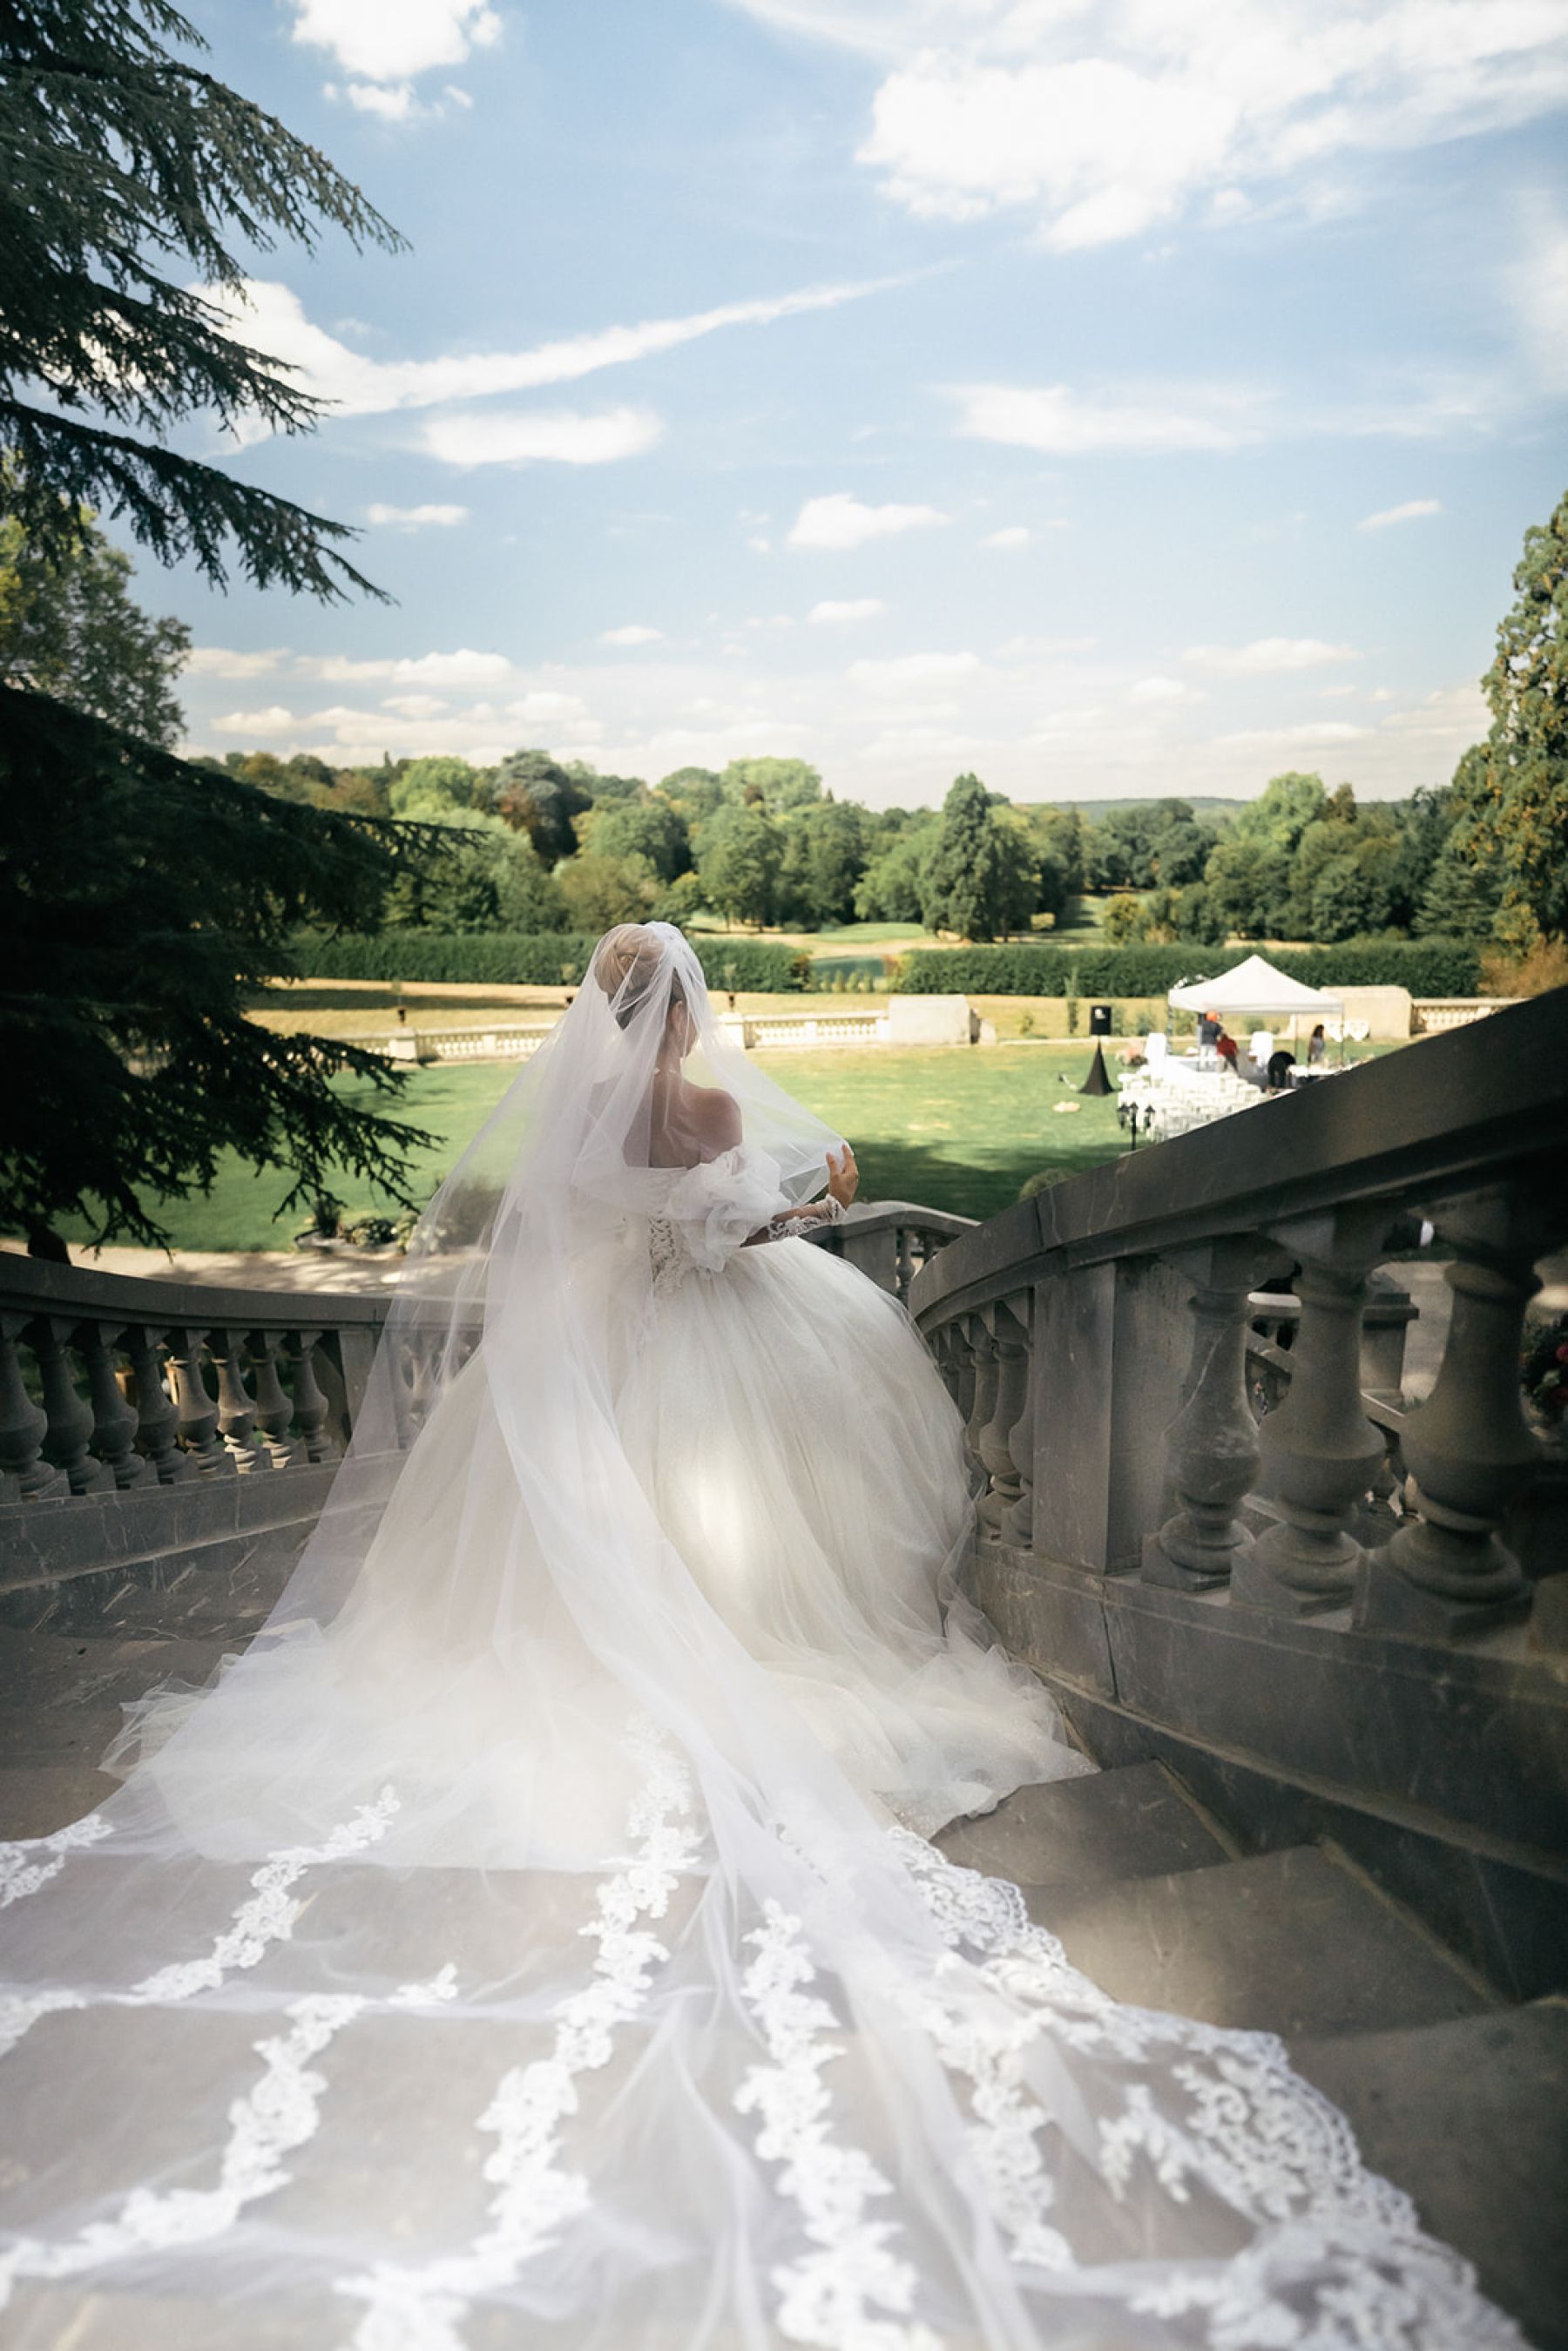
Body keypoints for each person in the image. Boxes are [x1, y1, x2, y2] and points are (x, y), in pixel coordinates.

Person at [0, 923, 1511, 2348]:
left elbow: (604, 1240)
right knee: (783, 1543)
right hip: (717, 1349)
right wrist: (826, 1194)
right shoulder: (714, 1111)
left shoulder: (572, 1126)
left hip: (594, 1363)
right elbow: (733, 1240)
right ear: (693, 1006)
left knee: (568, 1548)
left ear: (600, 1010)